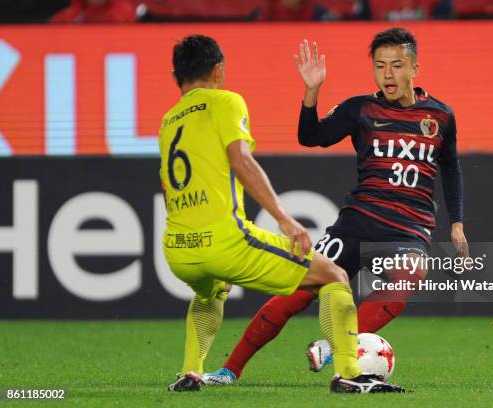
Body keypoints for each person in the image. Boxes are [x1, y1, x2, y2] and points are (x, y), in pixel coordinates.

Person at [202, 27, 468, 384]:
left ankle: (334, 347)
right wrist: (311, 92)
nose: (388, 74)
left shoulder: (441, 117)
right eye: (380, 66)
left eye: (397, 65)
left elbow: (450, 167)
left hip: (408, 227)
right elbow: (311, 137)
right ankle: (228, 370)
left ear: (414, 68)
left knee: (409, 275)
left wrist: (457, 223)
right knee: (294, 293)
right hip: (357, 222)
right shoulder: (360, 109)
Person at [160, 34, 404, 394]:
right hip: (224, 242)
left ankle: (190, 372)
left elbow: (167, 186)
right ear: (218, 70)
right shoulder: (225, 101)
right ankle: (349, 373)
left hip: (178, 249)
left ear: (175, 75)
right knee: (333, 275)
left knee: (211, 292)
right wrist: (285, 219)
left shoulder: (169, 121)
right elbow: (241, 159)